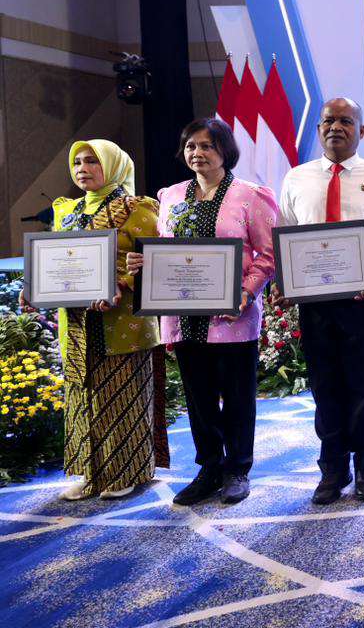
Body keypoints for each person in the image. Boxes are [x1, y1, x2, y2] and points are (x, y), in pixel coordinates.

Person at [126, 118, 278, 506]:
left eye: (206, 146)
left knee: (238, 395)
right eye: (191, 146)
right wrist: (142, 264)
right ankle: (210, 467)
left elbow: (267, 254)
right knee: (198, 397)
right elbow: (164, 248)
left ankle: (238, 469)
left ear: (224, 150)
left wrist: (245, 293)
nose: (197, 153)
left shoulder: (251, 196)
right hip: (182, 314)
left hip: (233, 315)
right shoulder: (172, 196)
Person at [275, 98, 364, 505]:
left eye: (346, 121)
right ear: (318, 129)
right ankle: (333, 468)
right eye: (328, 121)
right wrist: (286, 281)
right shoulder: (296, 178)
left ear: (361, 131)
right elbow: (283, 233)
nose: (336, 127)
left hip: (363, 298)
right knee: (325, 385)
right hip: (315, 302)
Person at [24, 140, 167, 500]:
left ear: (114, 166)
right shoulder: (66, 211)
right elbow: (58, 262)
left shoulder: (138, 209)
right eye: (77, 162)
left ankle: (128, 471)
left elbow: (159, 263)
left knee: (122, 395)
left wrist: (122, 283)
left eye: (92, 161)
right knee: (83, 394)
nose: (82, 168)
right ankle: (92, 473)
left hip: (122, 321)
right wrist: (33, 287)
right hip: (77, 323)